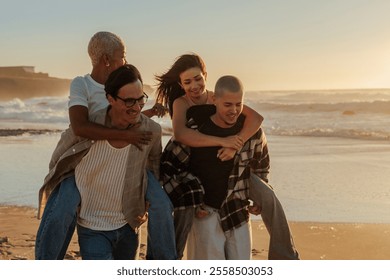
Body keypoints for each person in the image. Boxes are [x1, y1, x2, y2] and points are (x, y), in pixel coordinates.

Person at [35, 32, 176, 260]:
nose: (126, 62)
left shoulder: (126, 84)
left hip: (123, 157)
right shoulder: (83, 85)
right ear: (106, 59)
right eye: (123, 57)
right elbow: (80, 126)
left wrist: (145, 114)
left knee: (160, 204)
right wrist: (126, 136)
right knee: (62, 209)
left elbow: (129, 110)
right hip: (83, 157)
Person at [157, 53, 299, 259]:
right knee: (185, 212)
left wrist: (236, 143)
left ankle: (287, 257)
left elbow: (256, 118)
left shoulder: (220, 96)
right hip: (203, 172)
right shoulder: (182, 103)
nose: (195, 86)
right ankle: (171, 258)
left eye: (198, 79)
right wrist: (223, 142)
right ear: (180, 84)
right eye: (187, 82)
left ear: (206, 75)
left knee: (268, 197)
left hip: (237, 173)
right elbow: (181, 135)